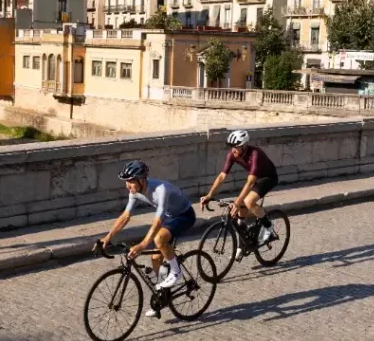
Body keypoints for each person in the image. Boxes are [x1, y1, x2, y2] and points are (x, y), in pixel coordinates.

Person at [99, 160, 196, 316]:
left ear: (142, 180)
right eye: (126, 182)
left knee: (159, 240)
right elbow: (125, 216)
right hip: (170, 217)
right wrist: (108, 236)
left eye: (130, 182)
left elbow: (158, 221)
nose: (127, 186)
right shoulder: (135, 193)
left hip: (184, 215)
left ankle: (176, 272)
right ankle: (162, 296)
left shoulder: (160, 190)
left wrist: (142, 245)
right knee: (155, 258)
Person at [200, 130, 279, 248]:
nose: (233, 150)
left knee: (247, 201)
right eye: (231, 147)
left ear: (244, 146)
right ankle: (244, 242)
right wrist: (209, 195)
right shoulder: (232, 154)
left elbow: (251, 181)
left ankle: (268, 226)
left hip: (269, 178)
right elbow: (222, 176)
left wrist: (237, 201)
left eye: (236, 147)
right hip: (256, 179)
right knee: (240, 212)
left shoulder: (255, 154)